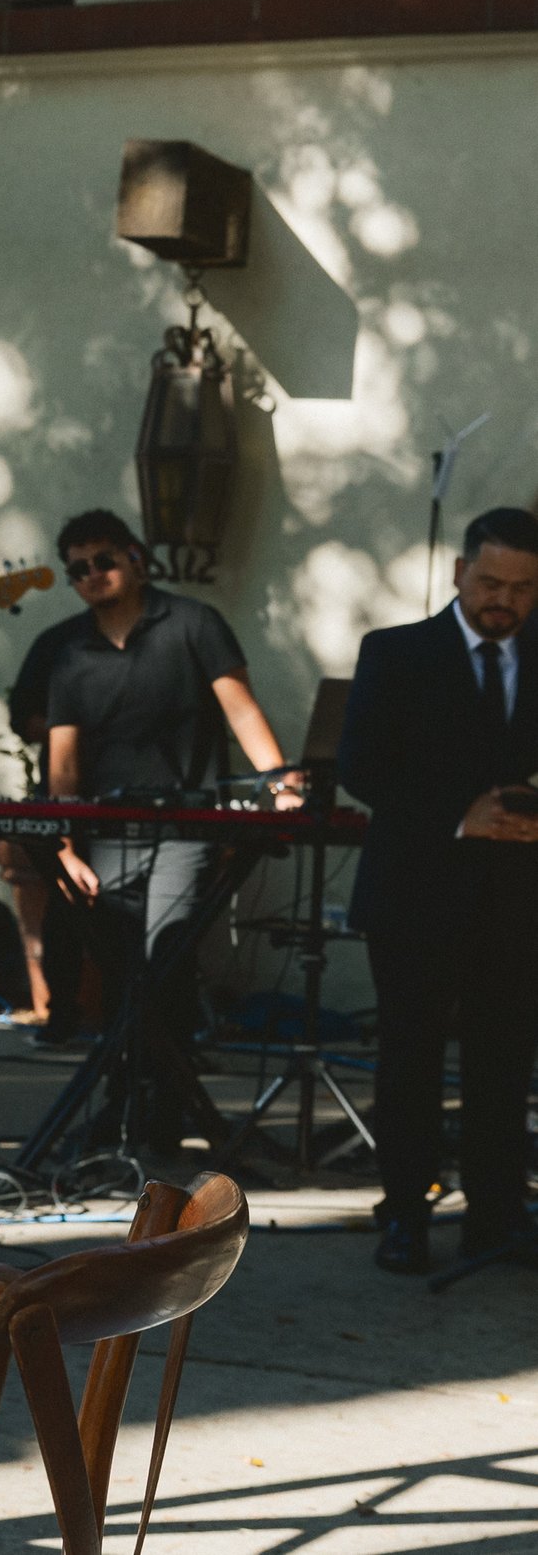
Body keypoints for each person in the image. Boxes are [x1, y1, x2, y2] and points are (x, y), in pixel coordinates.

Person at [339, 507, 538, 1275]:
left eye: (523, 588)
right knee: (411, 1058)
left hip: (517, 901)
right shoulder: (396, 653)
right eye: (490, 581)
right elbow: (361, 766)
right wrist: (461, 812)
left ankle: (496, 1216)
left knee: (504, 1061)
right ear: (459, 573)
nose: (504, 600)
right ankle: (405, 1216)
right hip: (416, 890)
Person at [43, 511, 293, 1089]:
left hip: (185, 824)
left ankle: (165, 1101)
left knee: (167, 953)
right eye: (77, 569)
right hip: (107, 832)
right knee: (123, 966)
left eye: (103, 560)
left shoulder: (193, 622)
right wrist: (62, 845)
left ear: (135, 557)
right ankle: (132, 1095)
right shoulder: (71, 653)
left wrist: (281, 784)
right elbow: (64, 762)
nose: (92, 575)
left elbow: (242, 709)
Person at [0, 608, 95, 1030]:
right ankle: (61, 1015)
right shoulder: (60, 640)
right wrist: (69, 732)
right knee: (64, 904)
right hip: (67, 793)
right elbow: (24, 717)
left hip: (131, 793)